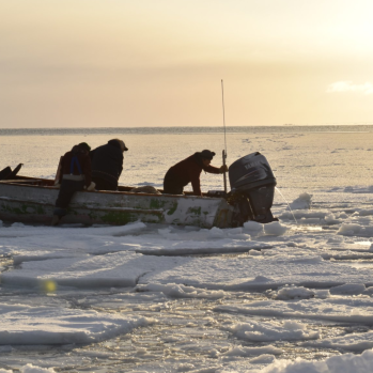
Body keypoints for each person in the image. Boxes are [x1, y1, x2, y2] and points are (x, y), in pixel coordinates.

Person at [51, 142, 94, 226]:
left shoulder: (67, 155)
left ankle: (57, 216)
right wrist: (87, 184)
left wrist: (60, 183)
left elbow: (61, 170)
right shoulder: (85, 157)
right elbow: (87, 172)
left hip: (66, 182)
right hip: (78, 183)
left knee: (61, 200)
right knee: (91, 186)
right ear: (86, 150)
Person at [163, 149, 228, 196]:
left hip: (178, 182)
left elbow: (207, 167)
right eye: (209, 160)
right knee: (177, 196)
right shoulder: (194, 166)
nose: (210, 162)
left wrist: (219, 170)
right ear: (203, 159)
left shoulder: (198, 160)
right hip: (171, 180)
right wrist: (199, 196)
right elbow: (195, 182)